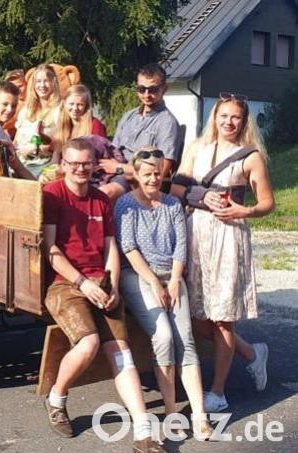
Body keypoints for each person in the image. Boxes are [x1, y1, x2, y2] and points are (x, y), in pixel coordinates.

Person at [41, 137, 164, 453]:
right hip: (66, 284)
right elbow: (51, 250)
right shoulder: (53, 195)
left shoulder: (99, 200)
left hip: (102, 283)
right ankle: (56, 398)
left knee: (121, 351)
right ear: (63, 165)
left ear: (95, 165)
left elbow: (111, 246)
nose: (81, 168)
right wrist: (83, 283)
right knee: (89, 343)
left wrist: (113, 286)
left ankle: (143, 432)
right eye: (74, 163)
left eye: (86, 163)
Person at [171, 93, 275, 412]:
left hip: (228, 238)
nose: (229, 122)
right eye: (224, 115)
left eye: (236, 118)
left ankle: (217, 392)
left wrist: (243, 212)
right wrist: (202, 198)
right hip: (195, 234)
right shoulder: (196, 149)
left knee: (222, 319)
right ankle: (251, 353)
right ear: (214, 117)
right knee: (192, 315)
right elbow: (177, 190)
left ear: (244, 122)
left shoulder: (250, 156)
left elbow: (267, 203)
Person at [115, 148, 212, 441]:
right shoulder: (125, 205)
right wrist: (155, 284)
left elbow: (181, 246)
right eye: (147, 173)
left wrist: (173, 281)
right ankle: (171, 412)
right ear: (136, 175)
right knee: (164, 337)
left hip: (171, 275)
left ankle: (199, 414)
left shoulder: (172, 204)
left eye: (157, 172)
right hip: (140, 277)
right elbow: (129, 249)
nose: (153, 178)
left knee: (185, 338)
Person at [101, 64, 181, 201]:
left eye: (153, 90)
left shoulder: (167, 123)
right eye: (141, 89)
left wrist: (120, 168)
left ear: (164, 89)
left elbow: (162, 169)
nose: (146, 95)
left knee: (103, 193)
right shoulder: (128, 116)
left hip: (136, 181)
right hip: (112, 172)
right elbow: (113, 150)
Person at [14, 64, 63, 178]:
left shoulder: (60, 110)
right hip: (21, 165)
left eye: (46, 81)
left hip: (44, 167)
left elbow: (60, 145)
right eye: (38, 81)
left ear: (53, 83)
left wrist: (51, 171)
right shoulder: (26, 110)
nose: (42, 85)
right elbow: (16, 143)